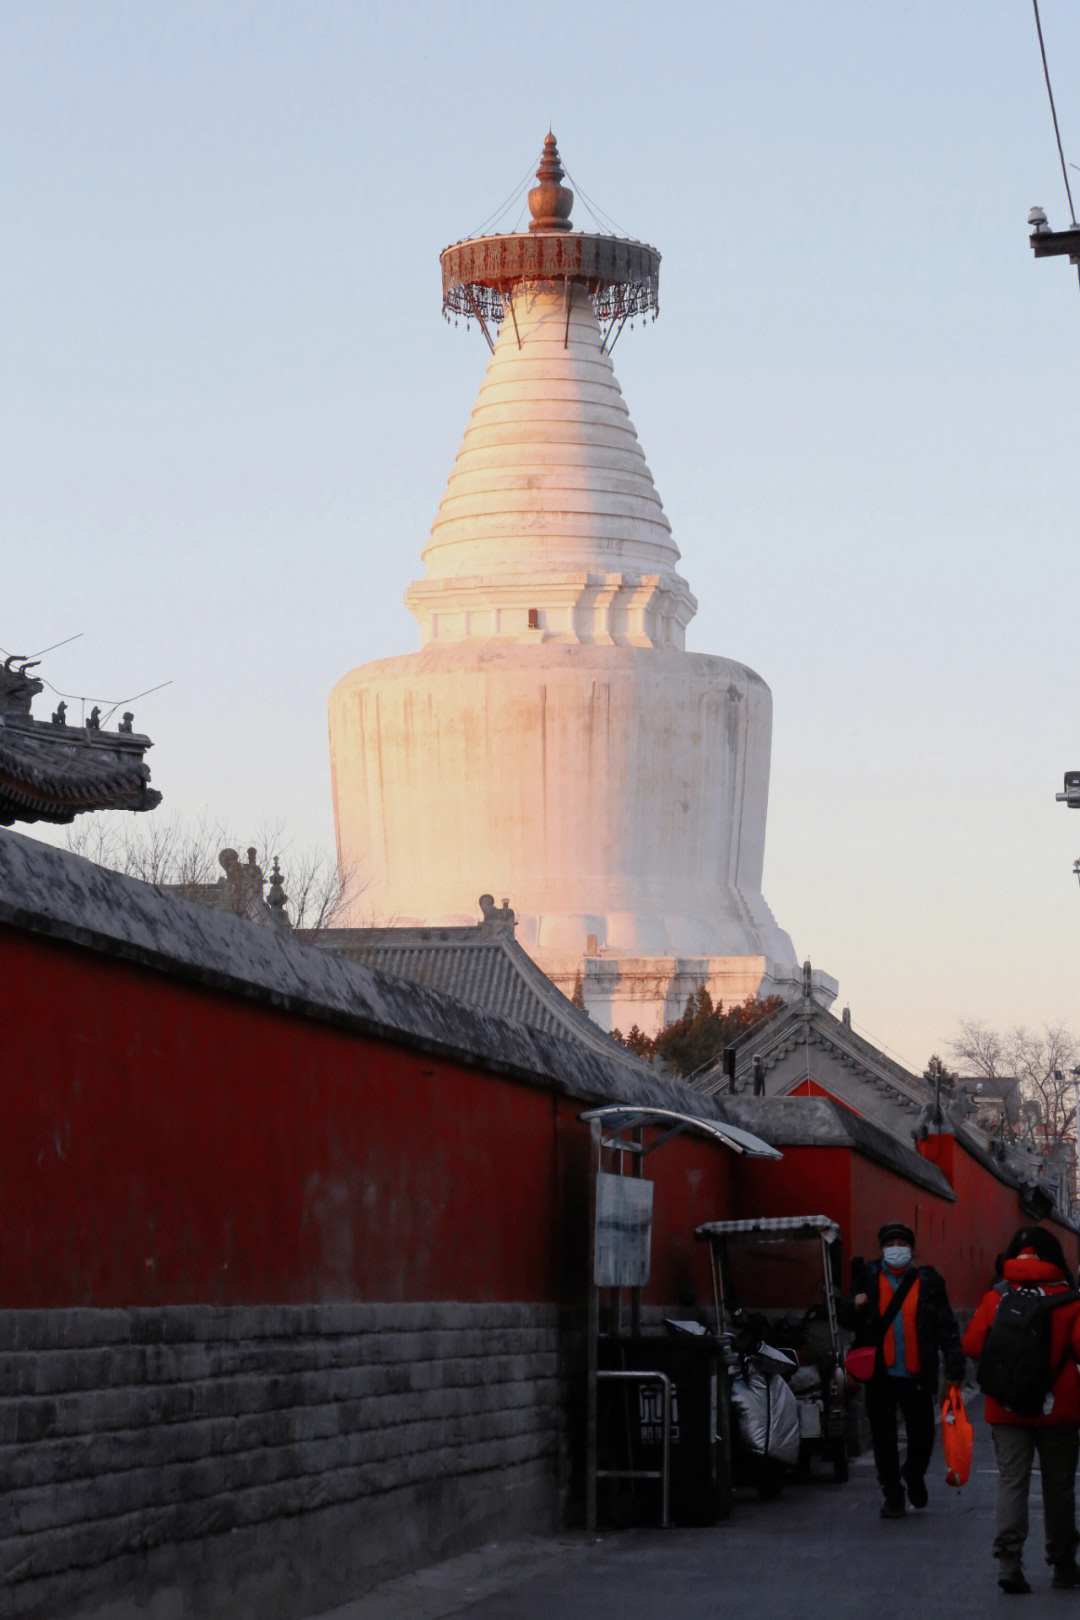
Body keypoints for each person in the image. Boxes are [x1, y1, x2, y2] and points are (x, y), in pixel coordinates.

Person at [962, 1225, 1080, 1594]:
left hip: (1007, 1406)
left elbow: (971, 1344)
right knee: (1058, 1487)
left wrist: (1008, 1368)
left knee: (1011, 1483)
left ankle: (1009, 1563)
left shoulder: (996, 1296)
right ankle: (1063, 1563)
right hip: (1058, 1409)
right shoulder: (1070, 1299)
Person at [842, 1220, 964, 1518]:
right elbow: (846, 1322)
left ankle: (913, 1474)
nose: (896, 1249)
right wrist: (853, 1306)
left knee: (922, 1436)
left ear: (911, 1249)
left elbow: (946, 1326)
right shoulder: (868, 1277)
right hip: (880, 1375)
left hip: (917, 1373)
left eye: (902, 1244)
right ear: (882, 1248)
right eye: (890, 1244)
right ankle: (892, 1493)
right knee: (883, 1438)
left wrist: (954, 1369)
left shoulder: (929, 1281)